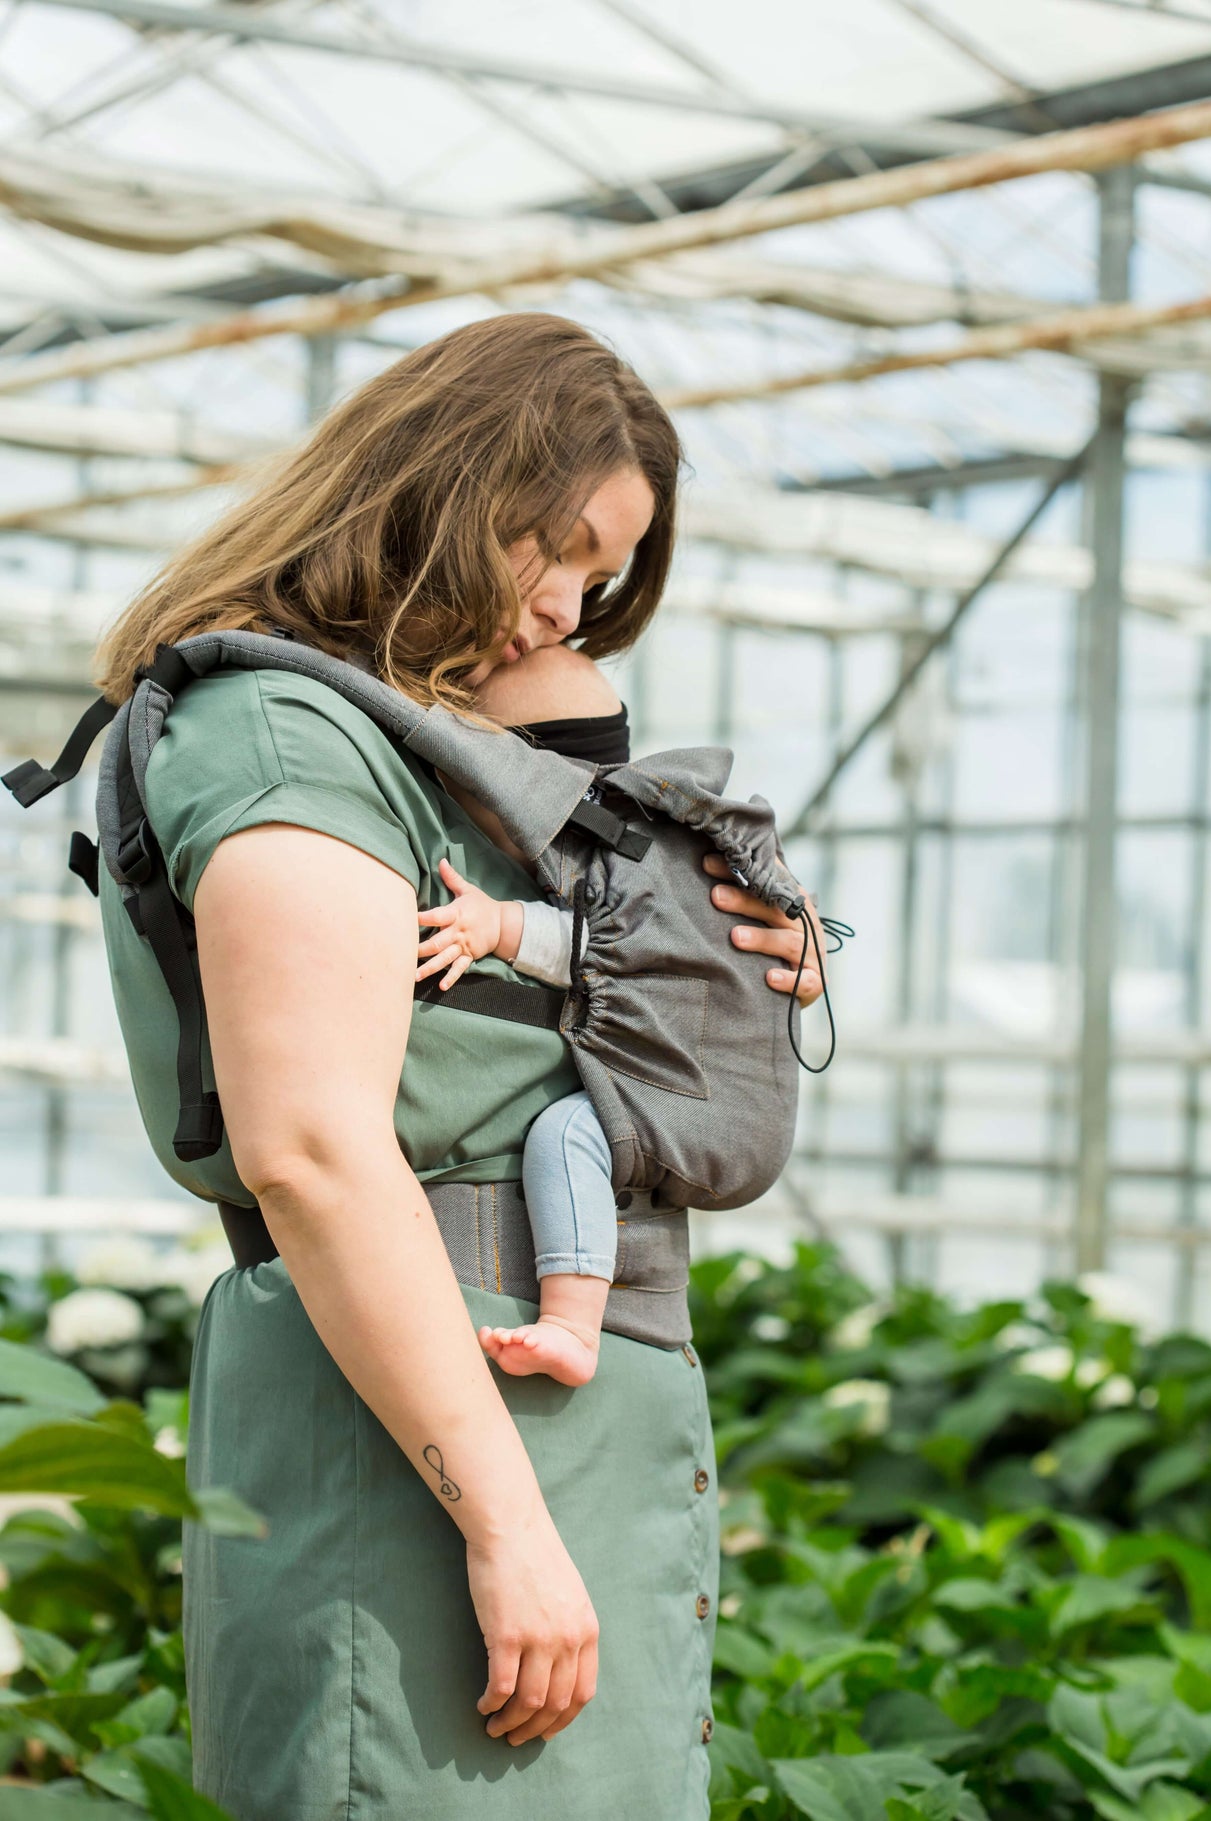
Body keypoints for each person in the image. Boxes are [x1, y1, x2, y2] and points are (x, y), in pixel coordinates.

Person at [90, 311, 828, 1820]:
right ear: (443, 486)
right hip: (435, 1446)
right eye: (551, 551)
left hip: (525, 1404)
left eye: (599, 580)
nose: (567, 610)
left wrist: (723, 940)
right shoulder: (282, 726)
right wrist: (505, 1522)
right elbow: (313, 1149)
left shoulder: (393, 736)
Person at [416, 643, 644, 1388]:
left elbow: (609, 941)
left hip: (655, 1082)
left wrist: (499, 927)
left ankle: (573, 1325)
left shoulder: (625, 852)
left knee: (568, 1134)